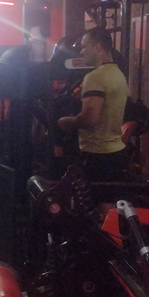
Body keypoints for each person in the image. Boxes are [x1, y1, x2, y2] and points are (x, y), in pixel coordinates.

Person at [57, 28, 129, 183]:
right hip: (116, 151)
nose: (81, 51)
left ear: (98, 47)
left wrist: (66, 122)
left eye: (84, 46)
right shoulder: (119, 75)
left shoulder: (94, 77)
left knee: (94, 197)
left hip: (97, 155)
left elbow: (89, 119)